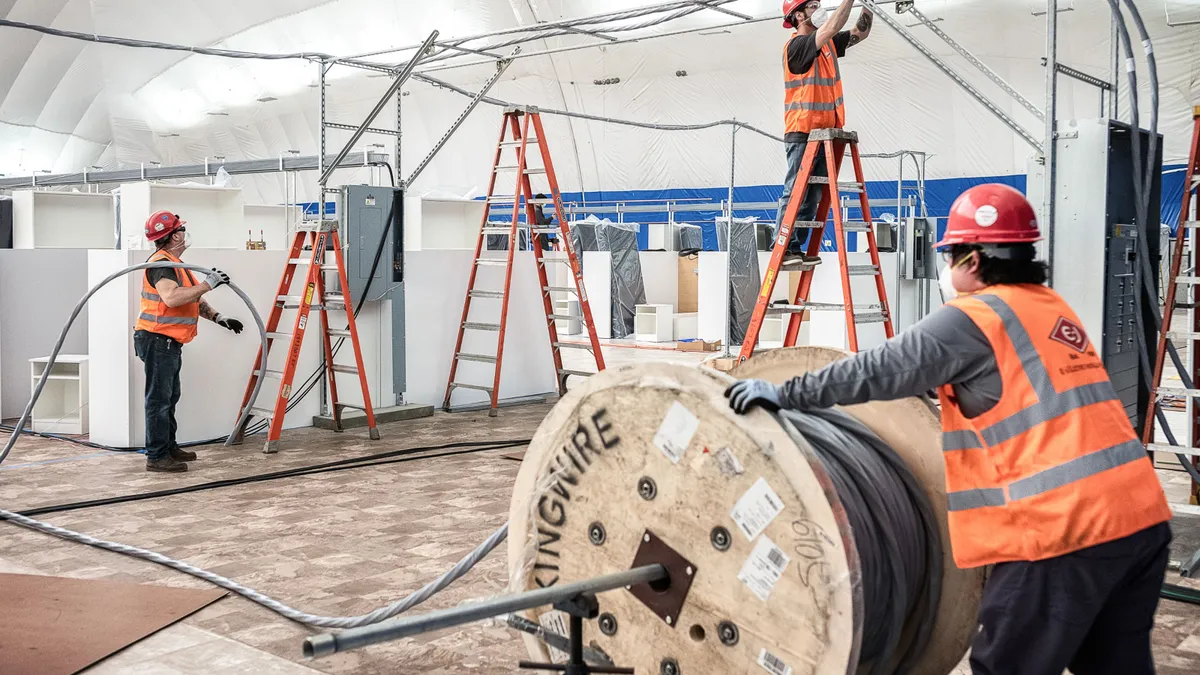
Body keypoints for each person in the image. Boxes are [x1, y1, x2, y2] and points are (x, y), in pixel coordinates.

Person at [726, 184, 1173, 675]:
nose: (949, 266)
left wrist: (786, 393)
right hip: (1140, 521)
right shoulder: (1049, 307)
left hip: (1061, 533)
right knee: (1116, 665)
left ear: (975, 259)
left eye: (953, 254)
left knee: (1005, 666)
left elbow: (879, 369)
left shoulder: (976, 316)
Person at [135, 211, 244, 473]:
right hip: (157, 340)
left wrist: (219, 318)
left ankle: (169, 447)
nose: (185, 233)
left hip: (167, 342)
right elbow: (172, 298)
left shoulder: (174, 263)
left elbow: (190, 297)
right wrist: (208, 284)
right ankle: (157, 456)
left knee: (170, 397)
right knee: (159, 401)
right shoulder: (162, 264)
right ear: (173, 236)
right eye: (181, 229)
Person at [775, 0, 872, 270]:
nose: (819, 8)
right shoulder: (797, 46)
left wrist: (869, 7)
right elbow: (833, 26)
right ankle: (782, 246)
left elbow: (858, 33)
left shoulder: (827, 45)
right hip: (803, 130)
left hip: (825, 133)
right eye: (813, 5)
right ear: (797, 15)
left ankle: (796, 247)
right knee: (796, 190)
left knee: (813, 195)